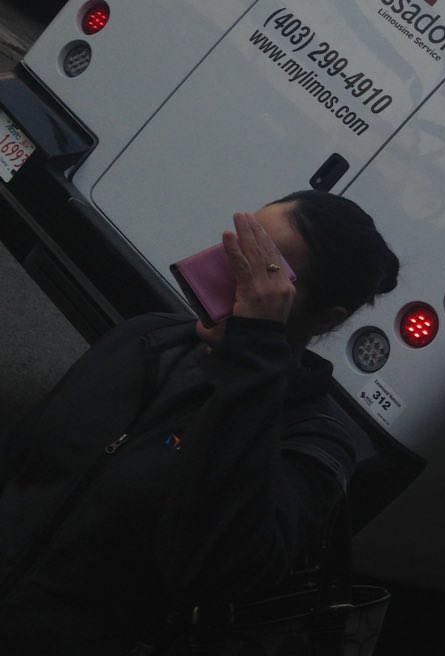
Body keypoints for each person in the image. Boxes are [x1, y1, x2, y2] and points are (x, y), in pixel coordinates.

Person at [0, 190, 399, 655]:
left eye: (263, 280)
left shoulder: (315, 441)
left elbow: (212, 568)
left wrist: (254, 356)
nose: (225, 283)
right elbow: (21, 461)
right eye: (234, 256)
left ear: (324, 317)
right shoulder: (148, 338)